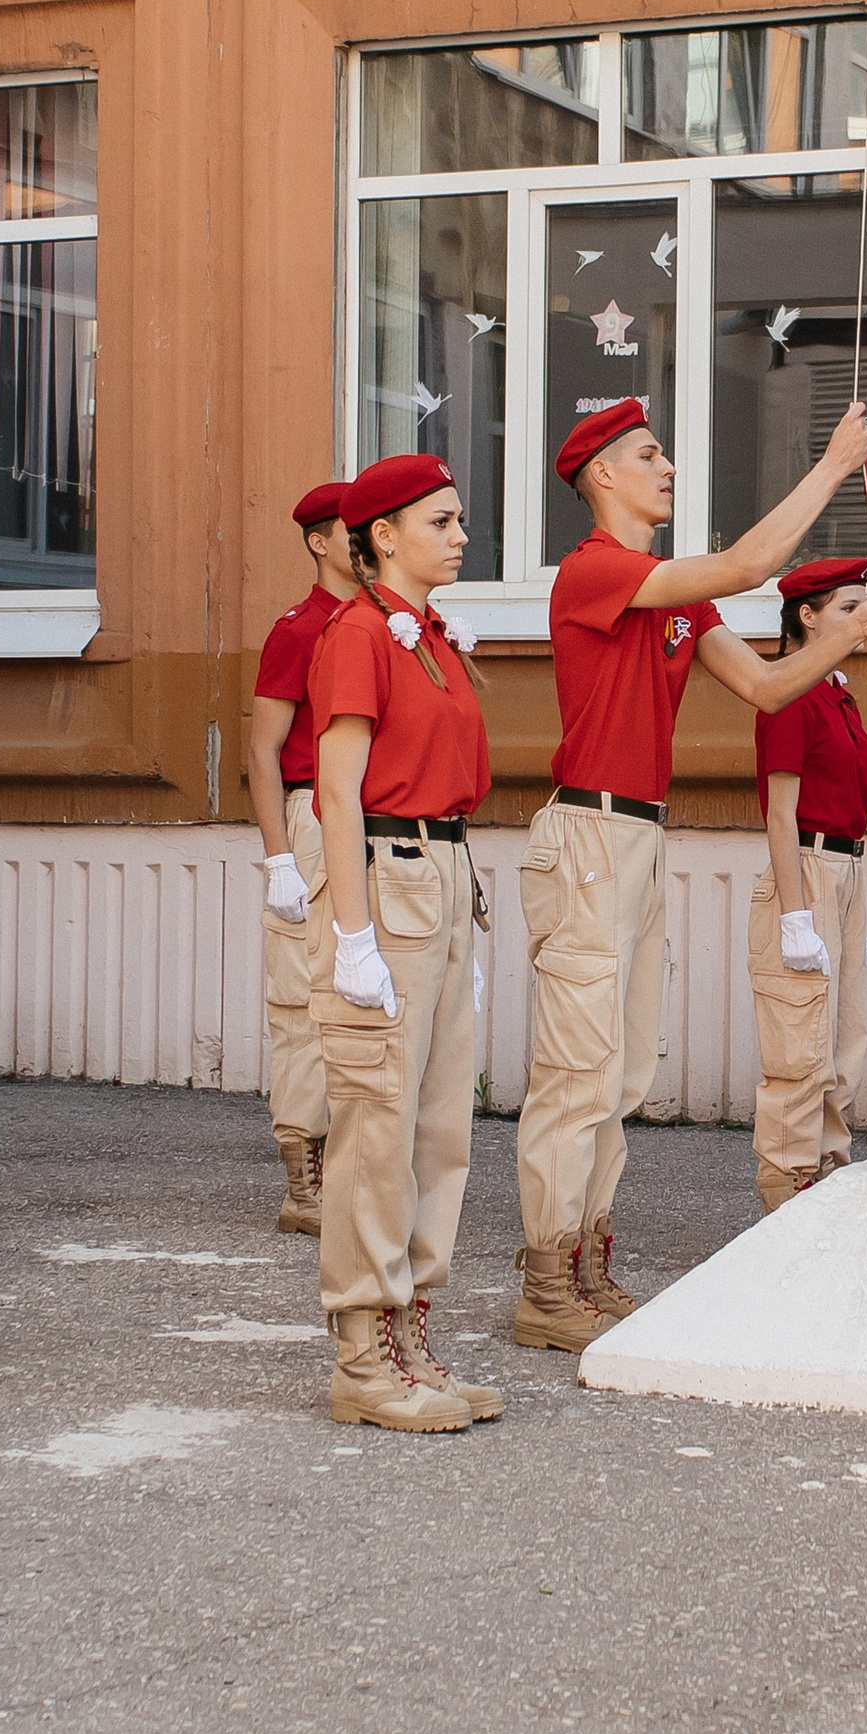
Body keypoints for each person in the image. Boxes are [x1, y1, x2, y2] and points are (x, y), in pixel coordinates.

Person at [509, 391, 867, 1352]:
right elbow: (757, 562)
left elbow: (764, 686)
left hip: (636, 836)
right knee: (576, 1070)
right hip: (590, 834)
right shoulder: (595, 570)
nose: (668, 465)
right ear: (602, 474)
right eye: (650, 453)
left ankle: (586, 1265)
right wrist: (835, 464)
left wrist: (847, 632)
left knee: (623, 1068)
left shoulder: (674, 594)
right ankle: (547, 1278)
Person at [306, 452, 496, 1433]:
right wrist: (351, 933)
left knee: (436, 1130)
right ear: (382, 534)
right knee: (377, 1126)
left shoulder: (429, 637)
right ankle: (361, 1355)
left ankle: (410, 1329)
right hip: (390, 879)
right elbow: (337, 790)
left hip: (445, 875)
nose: (460, 533)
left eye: (460, 517)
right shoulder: (358, 635)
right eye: (441, 519)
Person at [747, 555, 867, 1213]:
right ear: (807, 616)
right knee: (800, 1045)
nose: (862, 619)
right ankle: (788, 1185)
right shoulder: (790, 689)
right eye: (847, 608)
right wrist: (795, 916)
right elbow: (780, 811)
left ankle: (827, 1173)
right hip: (804, 867)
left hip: (845, 868)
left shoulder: (834, 691)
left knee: (843, 1040)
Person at [246, 480, 356, 1234]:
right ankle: (303, 1174)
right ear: (320, 540)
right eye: (356, 527)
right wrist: (278, 858)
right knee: (301, 995)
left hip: (370, 816)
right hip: (312, 814)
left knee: (357, 995)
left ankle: (352, 1164)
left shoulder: (385, 623)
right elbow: (260, 748)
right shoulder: (299, 629)